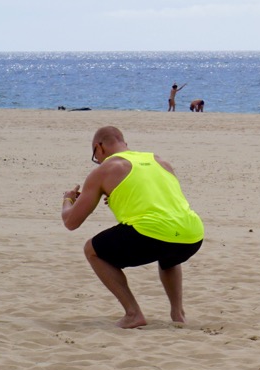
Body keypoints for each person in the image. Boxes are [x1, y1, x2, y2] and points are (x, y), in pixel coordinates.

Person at [60, 126, 204, 328]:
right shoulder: (160, 161)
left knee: (91, 249)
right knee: (169, 253)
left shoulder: (104, 170)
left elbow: (71, 222)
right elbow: (158, 200)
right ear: (124, 144)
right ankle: (178, 314)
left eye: (96, 156)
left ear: (98, 148)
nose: (98, 160)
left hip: (152, 234)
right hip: (192, 234)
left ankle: (133, 313)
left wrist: (68, 199)